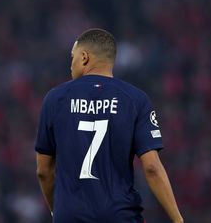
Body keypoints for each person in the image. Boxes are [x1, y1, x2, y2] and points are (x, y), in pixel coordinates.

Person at [35, 28, 183, 223]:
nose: (70, 65)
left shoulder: (55, 99)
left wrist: (58, 211)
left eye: (73, 58)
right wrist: (178, 220)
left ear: (84, 57)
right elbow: (152, 168)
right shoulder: (135, 100)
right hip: (120, 215)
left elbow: (43, 171)